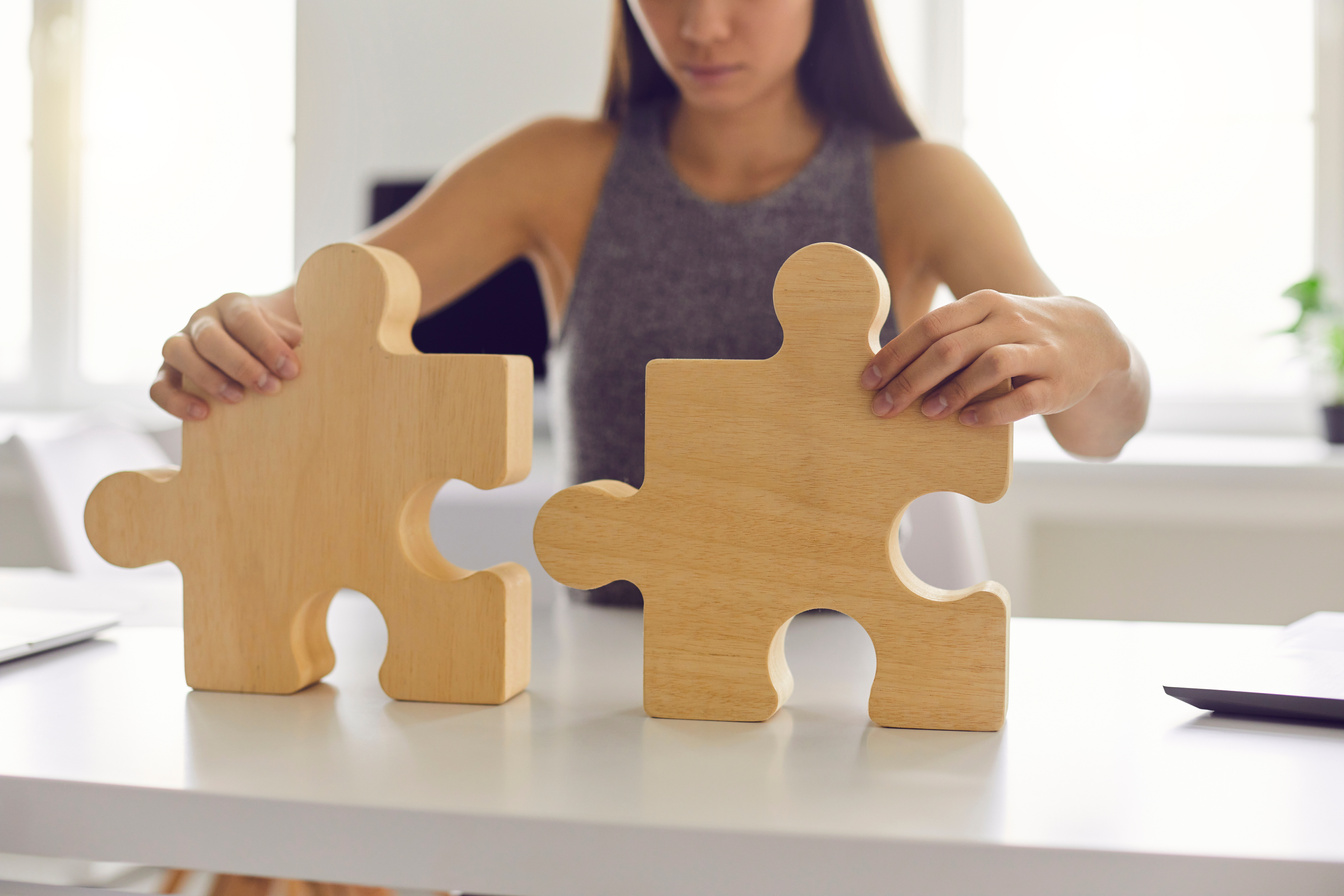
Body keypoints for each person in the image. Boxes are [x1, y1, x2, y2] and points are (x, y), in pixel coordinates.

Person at [152, 0, 1150, 605]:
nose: (699, 25)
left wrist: (1097, 346)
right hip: (612, 675)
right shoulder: (556, 167)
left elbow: (1099, 429)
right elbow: (308, 316)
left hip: (848, 670)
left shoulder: (919, 182)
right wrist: (223, 333)